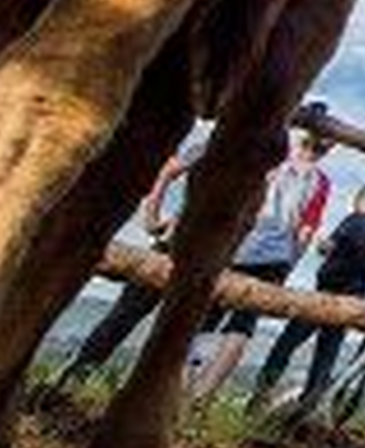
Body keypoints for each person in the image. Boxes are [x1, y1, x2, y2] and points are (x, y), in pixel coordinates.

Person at [185, 130, 334, 405]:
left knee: (207, 316)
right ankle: (202, 397)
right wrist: (290, 262)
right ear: (329, 148)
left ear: (300, 138)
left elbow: (246, 198)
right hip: (276, 259)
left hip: (241, 247)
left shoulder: (275, 163)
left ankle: (183, 385)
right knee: (242, 327)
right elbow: (306, 230)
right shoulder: (321, 183)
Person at [48, 137, 207, 392]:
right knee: (126, 314)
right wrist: (151, 217)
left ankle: (149, 398)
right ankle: (74, 376)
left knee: (180, 331)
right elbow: (168, 171)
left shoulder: (265, 157)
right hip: (175, 245)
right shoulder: (212, 143)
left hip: (215, 256)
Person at [252, 183, 365, 416]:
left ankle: (259, 396)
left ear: (362, 201)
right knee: (326, 354)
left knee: (286, 344)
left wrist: (321, 245)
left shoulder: (355, 220)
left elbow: (329, 247)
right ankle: (307, 407)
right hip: (354, 297)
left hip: (327, 294)